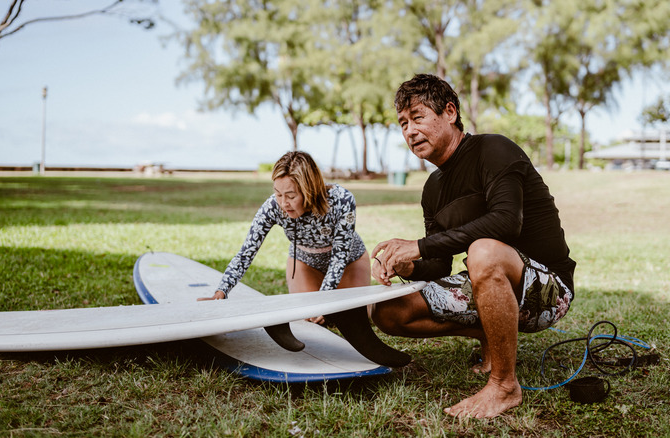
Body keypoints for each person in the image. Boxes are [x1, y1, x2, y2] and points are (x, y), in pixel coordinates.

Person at [370, 74, 576, 418]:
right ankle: (492, 333)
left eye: (418, 117)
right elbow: (438, 266)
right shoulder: (432, 189)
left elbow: (507, 221)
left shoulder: (493, 150)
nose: (409, 131)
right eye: (403, 123)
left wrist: (418, 245)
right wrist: (409, 266)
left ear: (449, 112)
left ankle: (505, 386)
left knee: (484, 251)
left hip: (548, 290)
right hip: (488, 284)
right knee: (388, 311)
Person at [199, 151, 371, 326]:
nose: (283, 203)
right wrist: (222, 290)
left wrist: (323, 299)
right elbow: (247, 252)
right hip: (306, 263)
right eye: (278, 194)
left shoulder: (342, 200)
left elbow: (339, 257)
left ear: (309, 190)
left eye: (290, 196)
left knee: (353, 319)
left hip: (350, 262)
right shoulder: (272, 207)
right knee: (309, 319)